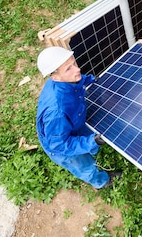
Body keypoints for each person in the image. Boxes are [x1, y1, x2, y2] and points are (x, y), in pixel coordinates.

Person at [36, 46, 121, 189]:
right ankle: (101, 181)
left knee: (88, 137)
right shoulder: (56, 111)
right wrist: (91, 142)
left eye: (74, 63)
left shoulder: (65, 80)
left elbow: (79, 80)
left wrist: (91, 80)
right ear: (54, 76)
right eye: (68, 69)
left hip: (73, 124)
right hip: (61, 146)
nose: (77, 70)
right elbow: (60, 144)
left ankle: (91, 148)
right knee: (85, 166)